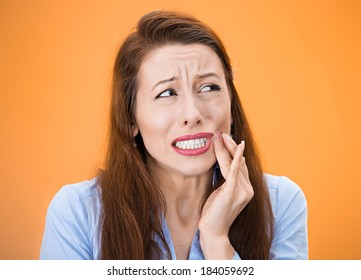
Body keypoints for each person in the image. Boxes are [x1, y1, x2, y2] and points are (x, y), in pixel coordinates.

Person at [40, 10, 308, 260]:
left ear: (232, 106)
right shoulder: (76, 213)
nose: (192, 113)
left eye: (209, 87)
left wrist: (216, 240)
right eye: (167, 93)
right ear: (131, 119)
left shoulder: (282, 203)